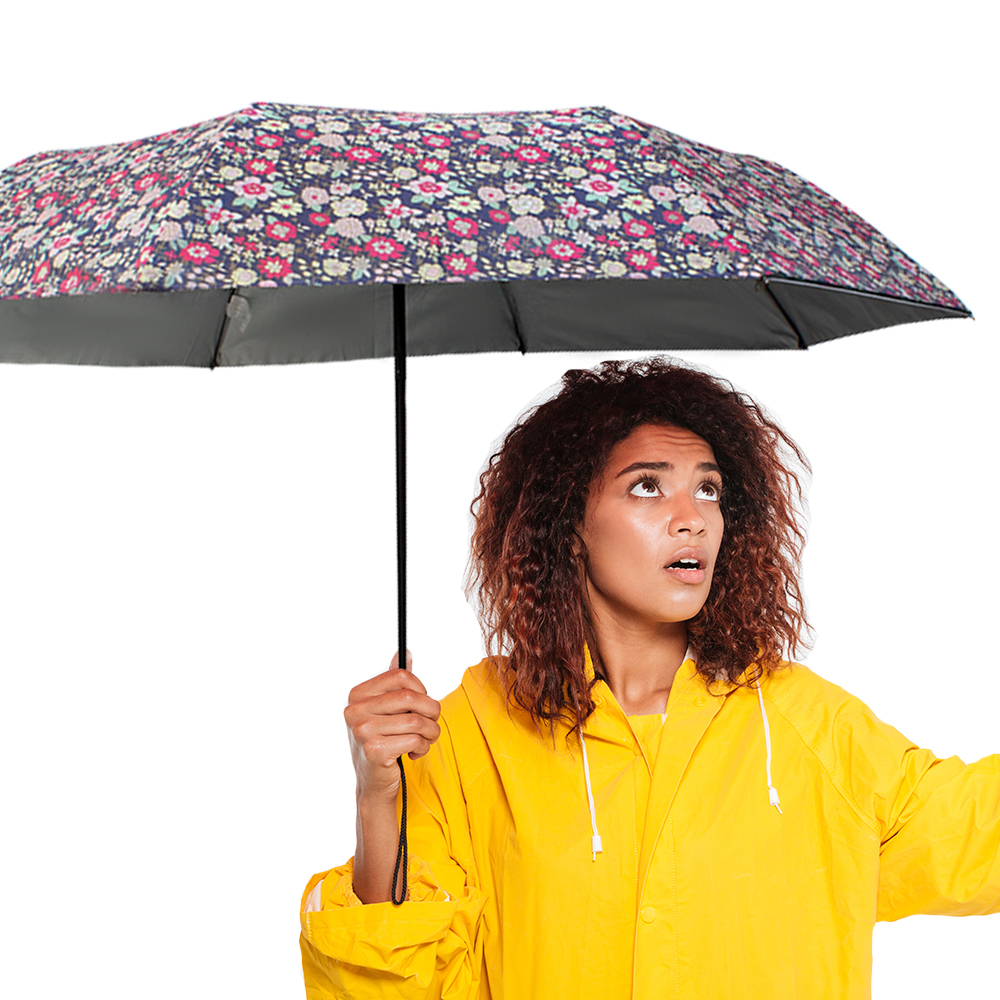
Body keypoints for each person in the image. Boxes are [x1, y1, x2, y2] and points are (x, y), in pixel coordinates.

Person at [299, 357, 999, 1000]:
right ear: (569, 522)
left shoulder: (805, 726)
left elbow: (971, 834)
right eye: (647, 487)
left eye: (709, 490)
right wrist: (378, 799)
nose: (690, 518)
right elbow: (393, 987)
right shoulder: (476, 732)